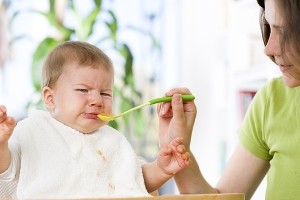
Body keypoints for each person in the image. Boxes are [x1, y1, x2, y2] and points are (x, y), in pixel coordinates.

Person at [0, 41, 191, 199]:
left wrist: (161, 169)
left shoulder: (112, 139)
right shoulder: (34, 129)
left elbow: (133, 182)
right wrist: (1, 143)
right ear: (50, 98)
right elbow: (7, 172)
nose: (97, 101)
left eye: (105, 93)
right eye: (83, 90)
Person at [158, 0, 300, 199]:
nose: (268, 48)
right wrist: (177, 146)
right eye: (270, 27)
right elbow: (223, 197)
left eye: (283, 30)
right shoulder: (271, 101)